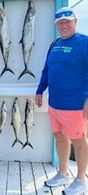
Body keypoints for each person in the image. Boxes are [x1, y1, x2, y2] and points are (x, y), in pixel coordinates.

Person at [35, 7, 88, 195]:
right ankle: (63, 173)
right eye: (60, 23)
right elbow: (46, 70)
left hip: (75, 105)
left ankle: (81, 179)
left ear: (75, 21)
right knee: (59, 137)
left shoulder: (84, 42)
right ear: (57, 25)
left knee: (79, 140)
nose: (64, 25)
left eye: (67, 21)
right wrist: (40, 90)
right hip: (54, 104)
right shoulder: (55, 43)